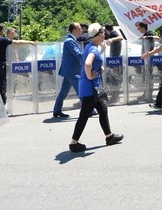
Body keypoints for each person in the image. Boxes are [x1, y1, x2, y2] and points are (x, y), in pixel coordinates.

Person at [69, 23, 123, 152]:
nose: (105, 35)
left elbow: (90, 63)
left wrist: (99, 68)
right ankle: (73, 143)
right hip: (90, 88)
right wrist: (90, 75)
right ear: (99, 35)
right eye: (103, 33)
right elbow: (88, 64)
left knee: (103, 110)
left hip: (90, 88)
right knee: (84, 116)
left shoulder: (89, 46)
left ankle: (109, 136)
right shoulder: (93, 49)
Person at [0, 24, 35, 105]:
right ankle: (2, 104)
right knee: (1, 85)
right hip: (0, 65)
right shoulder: (2, 39)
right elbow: (17, 42)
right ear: (2, 31)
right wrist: (30, 42)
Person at [53, 22, 83, 118]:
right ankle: (90, 109)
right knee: (81, 91)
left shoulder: (71, 40)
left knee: (63, 92)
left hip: (70, 71)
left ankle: (57, 110)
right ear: (74, 30)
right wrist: (90, 56)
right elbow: (78, 54)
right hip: (72, 72)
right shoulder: (69, 41)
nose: (81, 30)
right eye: (79, 29)